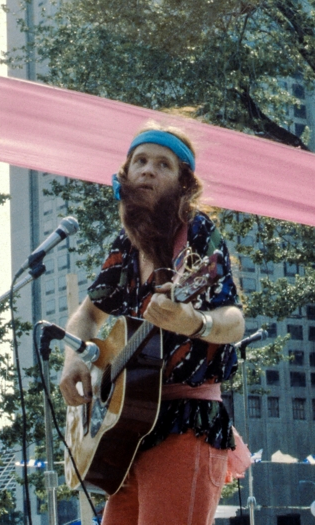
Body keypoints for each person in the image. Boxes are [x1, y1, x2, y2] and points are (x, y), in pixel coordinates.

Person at [59, 124, 250, 525]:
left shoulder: (197, 232)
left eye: (163, 164)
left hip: (186, 423)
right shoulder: (125, 246)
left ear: (183, 184)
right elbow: (88, 313)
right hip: (127, 431)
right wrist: (74, 359)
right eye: (140, 161)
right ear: (125, 175)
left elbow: (233, 321)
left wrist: (193, 321)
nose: (147, 170)